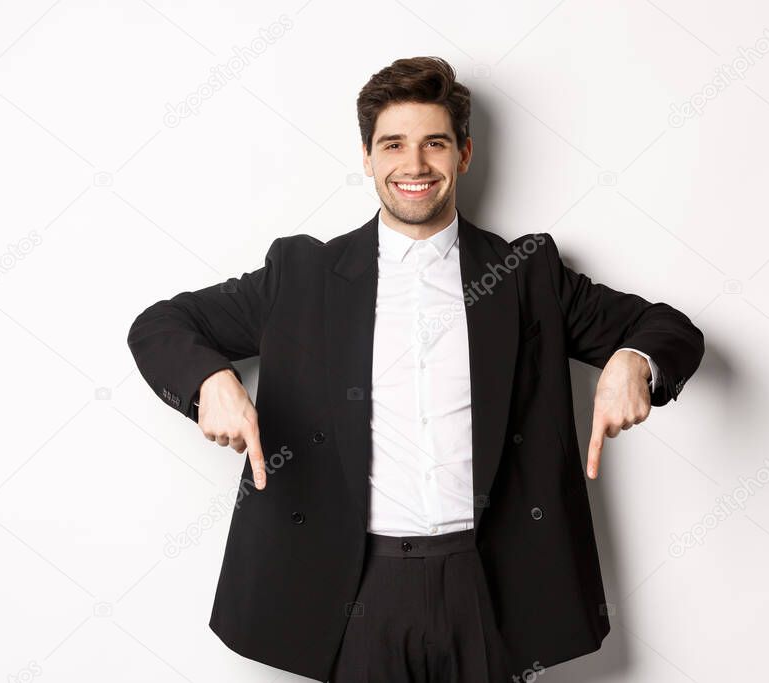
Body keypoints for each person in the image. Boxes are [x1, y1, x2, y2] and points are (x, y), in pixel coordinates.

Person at [127, 55, 704, 682]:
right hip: (353, 590)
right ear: (368, 157)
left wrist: (632, 360)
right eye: (393, 144)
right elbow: (158, 326)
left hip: (486, 587)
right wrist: (210, 381)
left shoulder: (525, 274)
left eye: (435, 143)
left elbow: (673, 330)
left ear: (464, 154)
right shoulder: (303, 277)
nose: (415, 165)